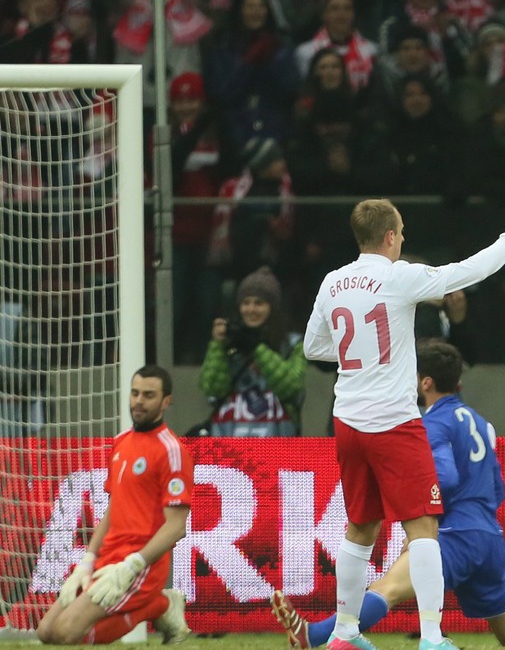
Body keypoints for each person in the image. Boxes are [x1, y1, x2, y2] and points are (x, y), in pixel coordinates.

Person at [270, 339, 505, 649]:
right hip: (488, 537)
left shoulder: (430, 424)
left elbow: (442, 477)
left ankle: (313, 635)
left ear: (425, 382)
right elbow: (497, 488)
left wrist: (422, 528)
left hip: (452, 536)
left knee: (386, 589)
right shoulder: (481, 422)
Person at [304, 199, 505, 650]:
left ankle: (343, 633)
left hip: (347, 420)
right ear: (391, 236)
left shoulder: (333, 281)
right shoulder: (399, 277)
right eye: (402, 233)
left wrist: (366, 355)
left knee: (360, 527)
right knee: (424, 528)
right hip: (394, 422)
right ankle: (433, 637)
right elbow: (469, 271)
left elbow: (314, 347)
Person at [37, 366, 192, 645]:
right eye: (135, 393)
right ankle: (158, 603)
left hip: (140, 566)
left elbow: (176, 526)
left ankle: (159, 605)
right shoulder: (121, 442)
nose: (139, 401)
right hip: (109, 558)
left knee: (66, 634)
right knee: (46, 632)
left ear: (166, 401)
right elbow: (114, 508)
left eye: (148, 395)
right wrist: (88, 560)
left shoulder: (172, 451)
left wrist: (133, 564)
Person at [200, 266, 306, 436]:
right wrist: (218, 346)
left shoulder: (292, 343)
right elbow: (212, 389)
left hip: (278, 448)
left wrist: (256, 348)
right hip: (229, 446)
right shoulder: (229, 341)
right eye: (246, 303)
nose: (251, 309)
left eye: (259, 303)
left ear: (273, 307)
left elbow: (291, 387)